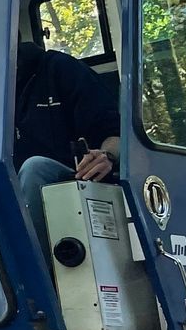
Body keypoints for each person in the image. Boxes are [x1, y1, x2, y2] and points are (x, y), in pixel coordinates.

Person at [14, 37, 120, 260]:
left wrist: (107, 155)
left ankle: (37, 280)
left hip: (74, 183)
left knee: (35, 168)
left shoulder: (60, 68)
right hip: (7, 196)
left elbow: (117, 134)